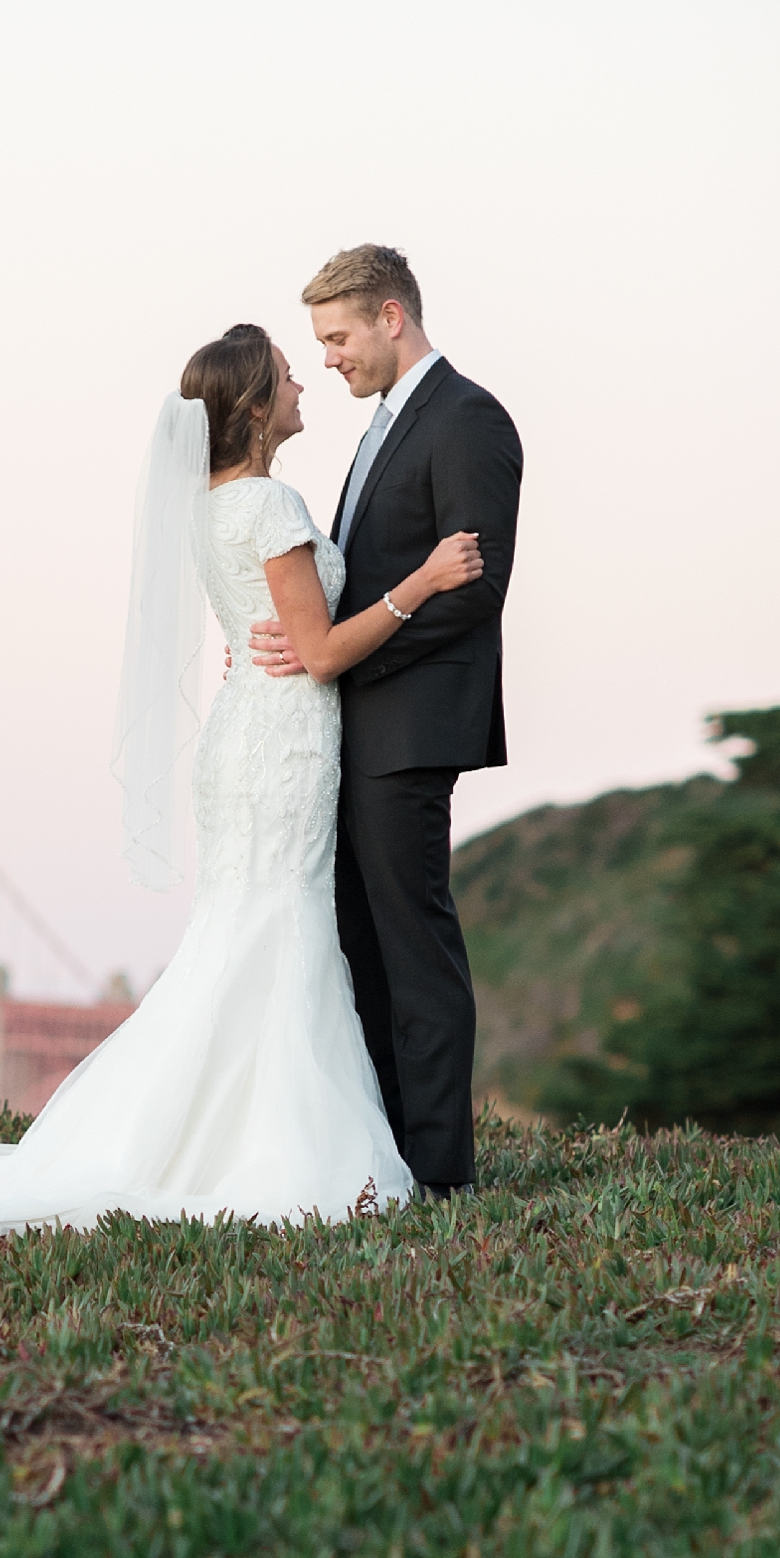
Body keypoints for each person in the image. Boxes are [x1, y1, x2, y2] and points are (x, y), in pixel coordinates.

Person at [0, 321, 481, 1255]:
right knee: (278, 928)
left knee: (242, 930)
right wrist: (423, 581)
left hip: (244, 735)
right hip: (284, 741)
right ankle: (274, 1149)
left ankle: (202, 1133)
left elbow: (277, 630)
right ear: (254, 411)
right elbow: (322, 654)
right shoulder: (273, 505)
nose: (305, 387)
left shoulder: (211, 507)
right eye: (291, 378)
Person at [249, 245, 521, 1196]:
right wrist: (311, 642)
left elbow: (474, 591)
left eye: (337, 337)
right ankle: (386, 1155)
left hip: (410, 729)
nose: (327, 358)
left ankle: (440, 1171)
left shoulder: (469, 418)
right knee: (360, 944)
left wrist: (343, 656)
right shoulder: (382, 426)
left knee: (416, 945)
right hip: (356, 727)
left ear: (391, 318)